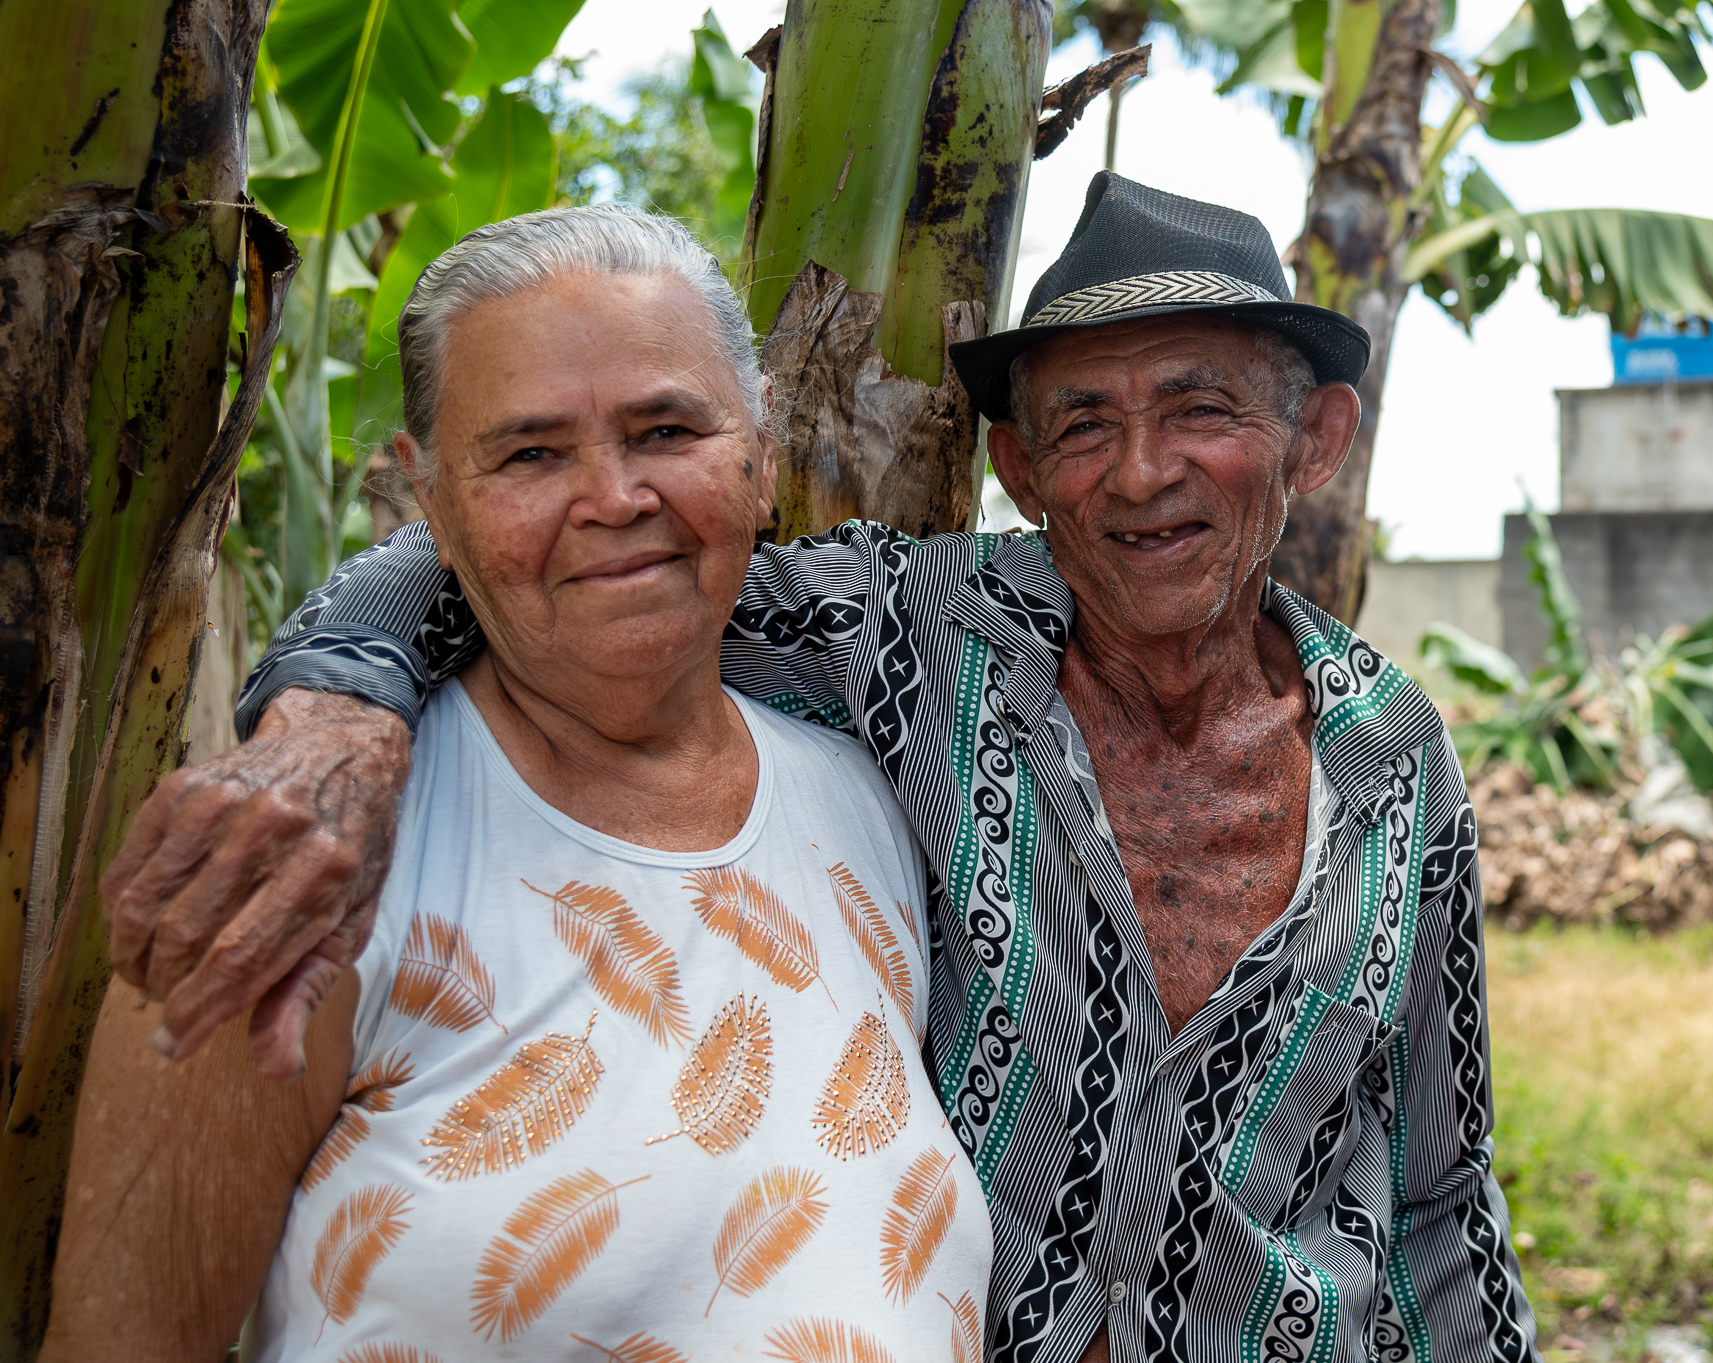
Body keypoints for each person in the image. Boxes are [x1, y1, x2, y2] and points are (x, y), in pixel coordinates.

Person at [103, 175, 1539, 1362]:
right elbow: (585, 541)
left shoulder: (1395, 753)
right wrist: (333, 701)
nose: (1142, 469)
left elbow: (1439, 1186)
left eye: (1203, 409)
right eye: (1082, 423)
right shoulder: (903, 643)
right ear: (1021, 470)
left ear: (1319, 436)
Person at [44, 206, 993, 1361]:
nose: (612, 496)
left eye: (664, 429)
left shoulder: (873, 792)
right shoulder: (300, 850)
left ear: (759, 449)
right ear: (429, 503)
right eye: (530, 453)